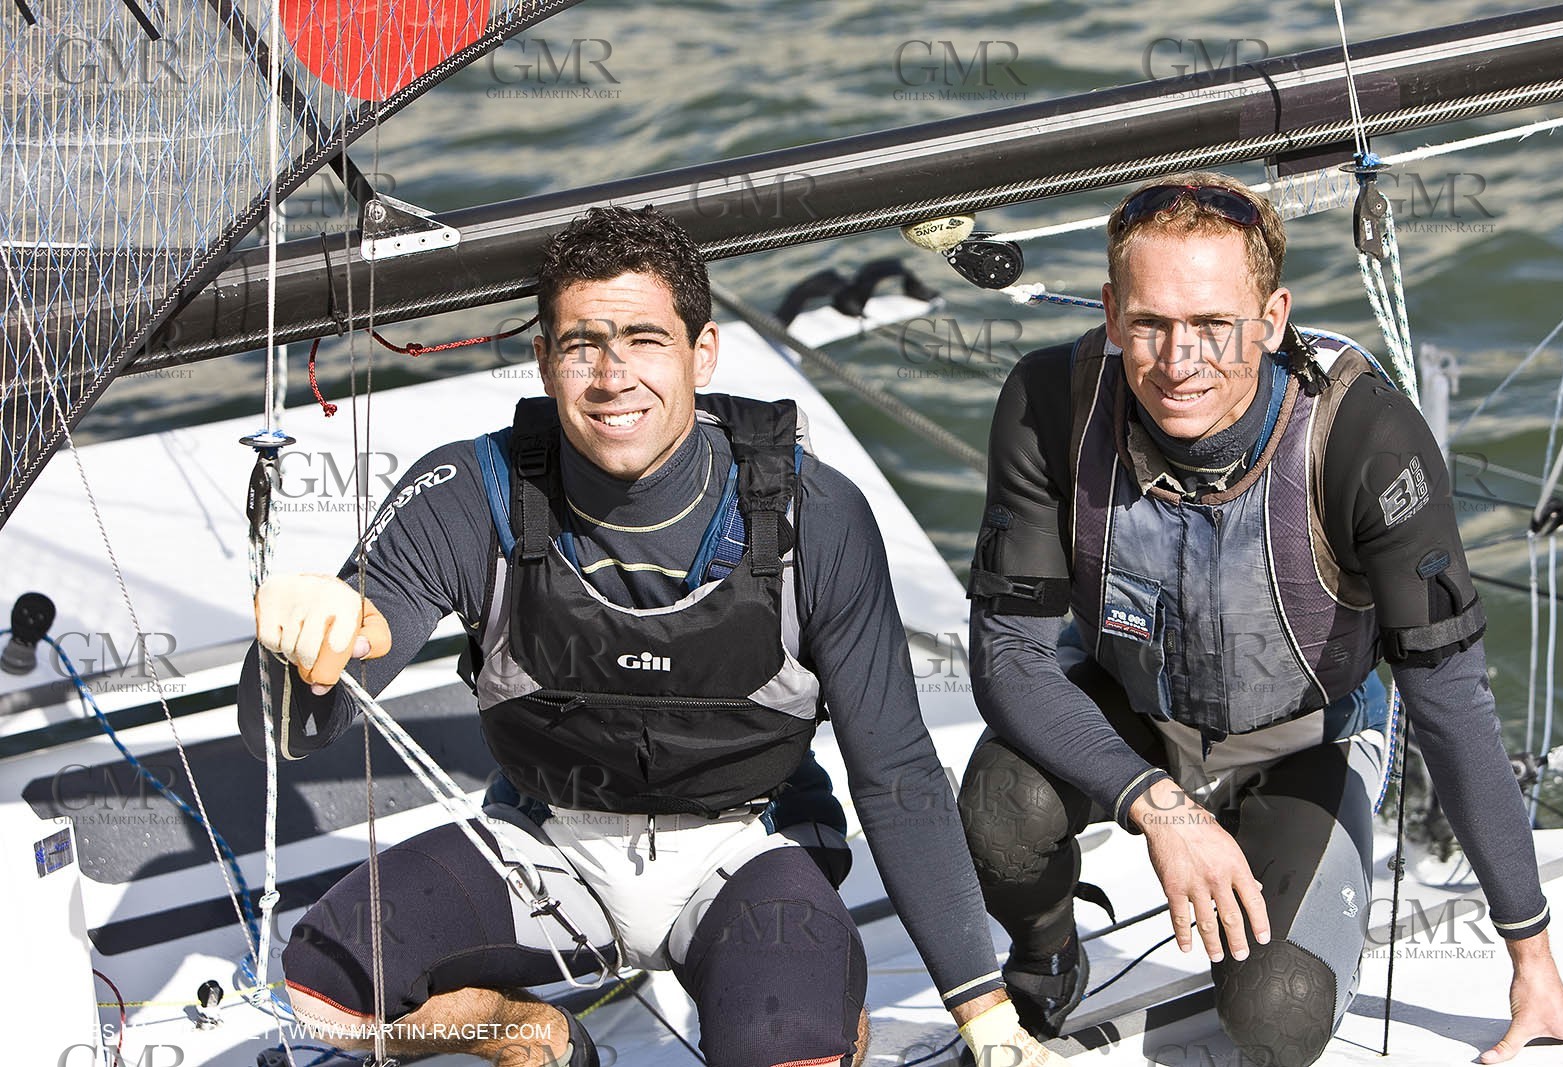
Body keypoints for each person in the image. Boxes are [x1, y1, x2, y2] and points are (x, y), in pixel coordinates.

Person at [242, 205, 1070, 1067]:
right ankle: (531, 1033)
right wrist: (300, 652)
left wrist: (986, 1014)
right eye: (580, 344)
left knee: (784, 1047)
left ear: (701, 352)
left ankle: (824, 1012)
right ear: (542, 359)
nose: (611, 376)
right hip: (547, 838)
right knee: (324, 991)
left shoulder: (817, 514)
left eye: (644, 338)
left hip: (747, 844)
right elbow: (292, 730)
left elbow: (897, 775)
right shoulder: (464, 492)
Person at [957, 171, 1563, 1067]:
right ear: (1110, 314)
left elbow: (1450, 705)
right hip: (1128, 712)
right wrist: (1159, 807)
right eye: (1149, 324)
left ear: (1272, 316)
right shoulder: (1048, 403)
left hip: (1308, 740)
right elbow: (1008, 659)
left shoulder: (1367, 440)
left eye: (1215, 324)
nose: (1180, 359)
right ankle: (1046, 953)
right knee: (999, 810)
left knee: (1278, 1014)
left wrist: (1532, 955)